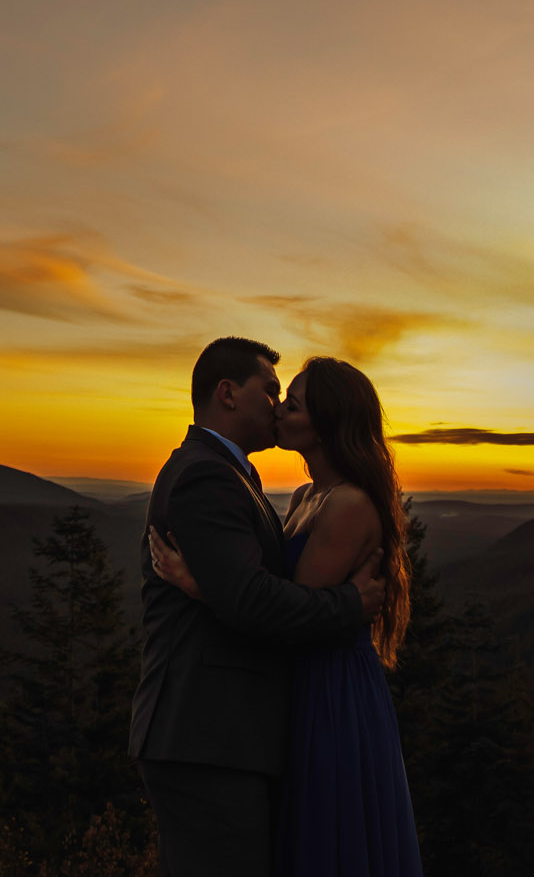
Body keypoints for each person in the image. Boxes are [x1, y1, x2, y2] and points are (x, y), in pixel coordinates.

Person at [147, 354, 423, 876]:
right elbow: (271, 595)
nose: (276, 411)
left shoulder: (349, 506)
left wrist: (200, 585)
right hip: (295, 690)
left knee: (332, 842)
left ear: (326, 423)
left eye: (289, 403)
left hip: (332, 690)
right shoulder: (303, 497)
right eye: (275, 396)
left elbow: (281, 613)